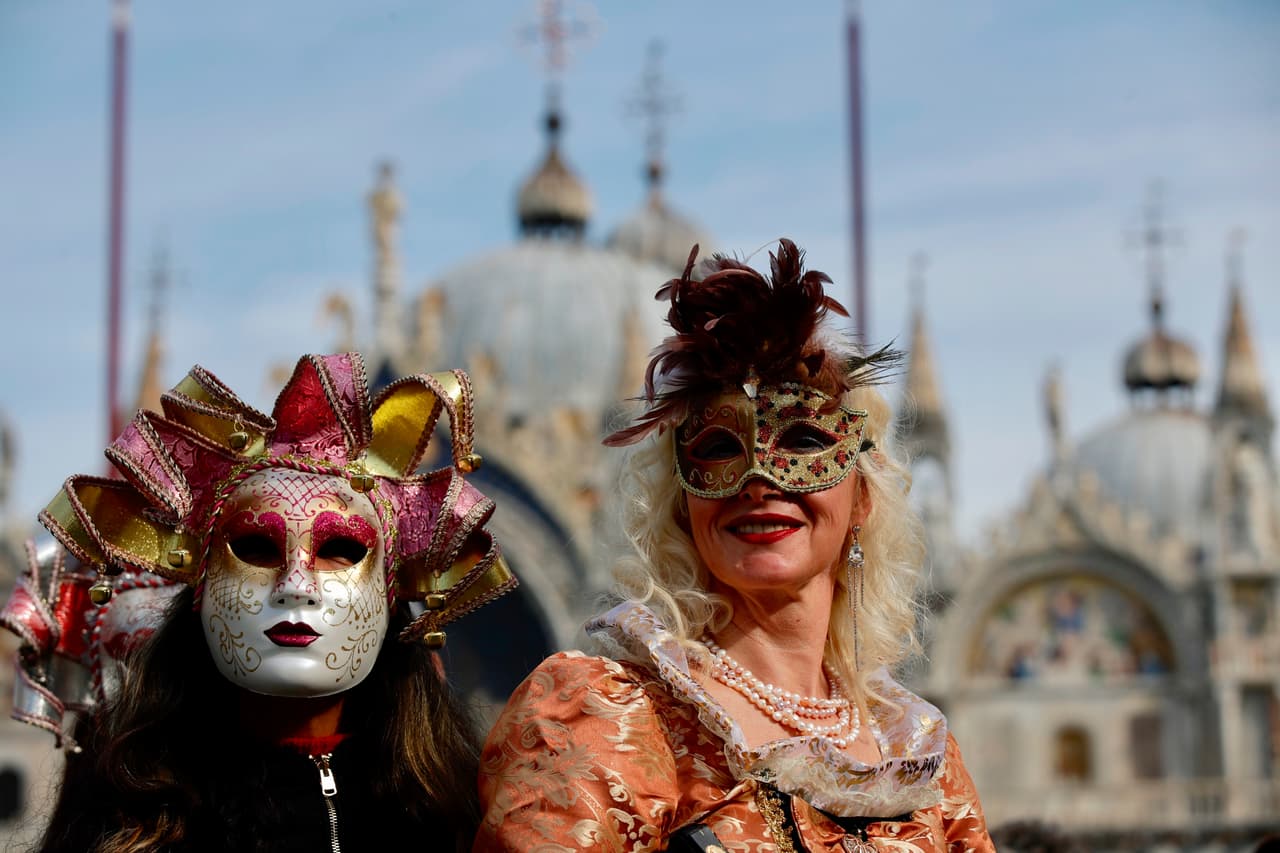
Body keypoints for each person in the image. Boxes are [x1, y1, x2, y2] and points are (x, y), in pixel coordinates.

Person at [475, 240, 994, 852]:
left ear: (862, 501)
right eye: (720, 448)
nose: (759, 479)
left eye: (802, 442)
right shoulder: (604, 717)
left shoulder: (918, 753)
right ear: (681, 506)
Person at [27, 352, 515, 853]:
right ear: (201, 587)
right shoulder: (129, 803)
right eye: (255, 548)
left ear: (392, 593)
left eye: (340, 550)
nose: (296, 583)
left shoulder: (455, 808)